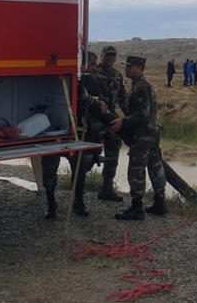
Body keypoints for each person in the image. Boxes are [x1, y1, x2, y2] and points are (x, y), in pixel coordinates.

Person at [42, 52, 115, 218]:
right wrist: (95, 103)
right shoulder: (68, 78)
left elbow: (102, 106)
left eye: (96, 65)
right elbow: (83, 98)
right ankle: (51, 204)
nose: (94, 68)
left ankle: (79, 202)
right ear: (83, 65)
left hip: (79, 133)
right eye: (92, 64)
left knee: (80, 170)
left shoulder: (94, 82)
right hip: (56, 132)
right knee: (49, 170)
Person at [110, 55, 167, 220]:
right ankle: (159, 203)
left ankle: (137, 208)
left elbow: (142, 114)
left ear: (139, 68)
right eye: (126, 66)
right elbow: (131, 109)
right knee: (155, 165)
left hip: (144, 134)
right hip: (151, 133)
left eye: (129, 67)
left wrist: (123, 122)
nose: (126, 69)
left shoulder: (142, 86)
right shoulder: (138, 85)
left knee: (136, 168)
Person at [93, 45, 127, 201]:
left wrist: (130, 118)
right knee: (88, 155)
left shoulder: (117, 75)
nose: (110, 59)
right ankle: (77, 192)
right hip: (94, 119)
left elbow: (123, 99)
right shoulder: (93, 72)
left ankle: (107, 188)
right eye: (107, 56)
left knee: (113, 149)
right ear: (102, 56)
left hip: (111, 118)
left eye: (113, 56)